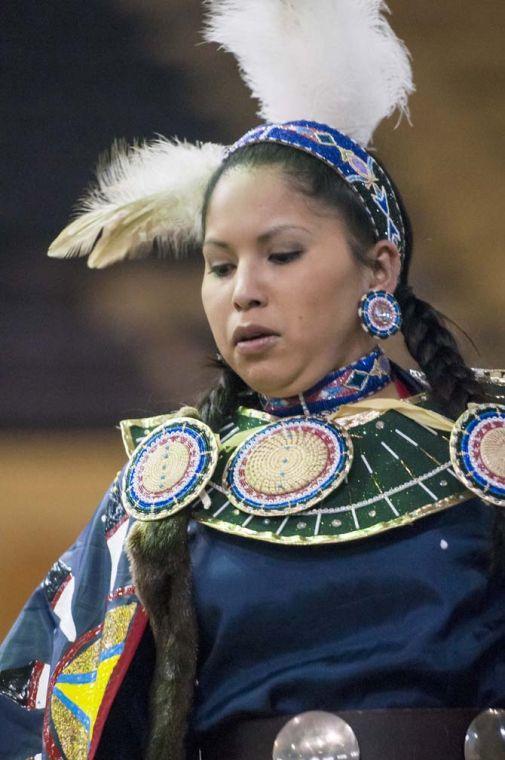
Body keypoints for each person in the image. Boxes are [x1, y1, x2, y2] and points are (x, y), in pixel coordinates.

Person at [1, 2, 504, 759]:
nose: (243, 291)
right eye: (219, 264)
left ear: (379, 266)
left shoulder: (486, 452)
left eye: (282, 253)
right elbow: (38, 716)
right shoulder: (164, 491)